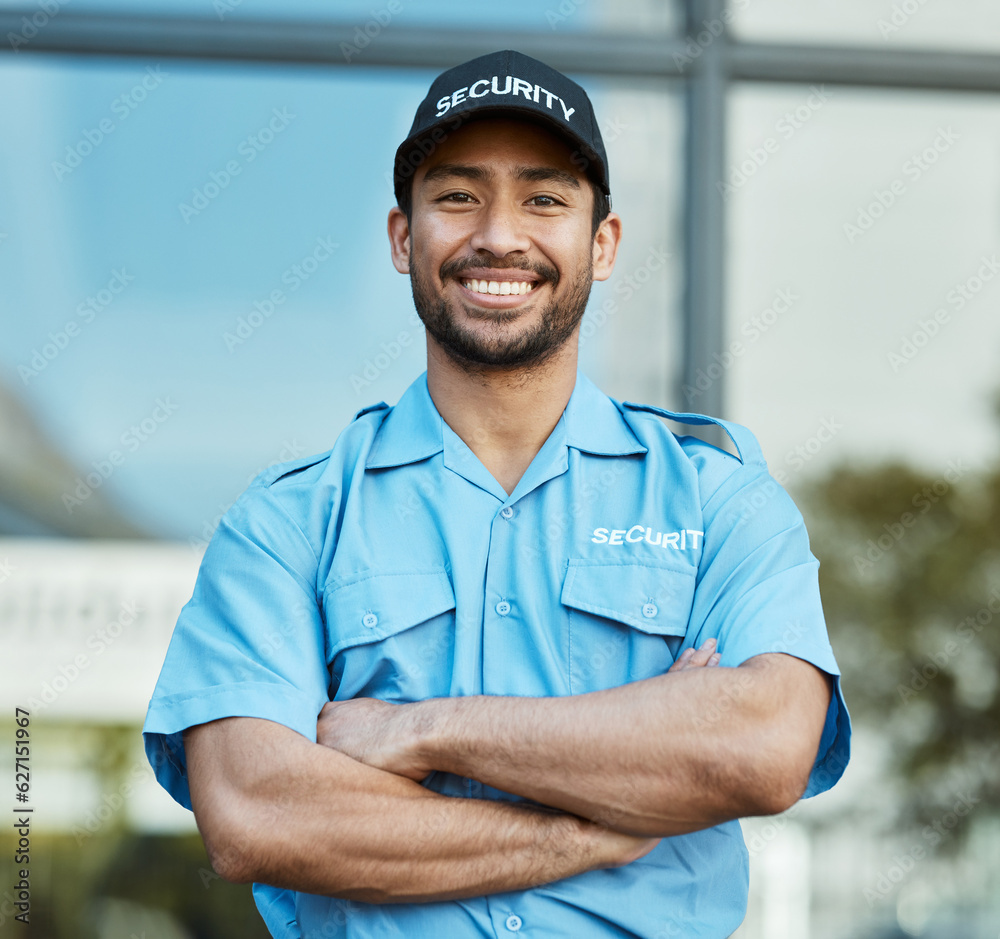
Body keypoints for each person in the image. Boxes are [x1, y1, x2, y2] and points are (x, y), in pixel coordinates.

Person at [143, 49, 850, 938]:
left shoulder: (717, 502)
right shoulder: (288, 523)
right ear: (405, 239)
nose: (500, 236)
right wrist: (606, 822)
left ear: (604, 242)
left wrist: (423, 732)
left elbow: (762, 747)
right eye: (457, 197)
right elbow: (257, 813)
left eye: (545, 199)